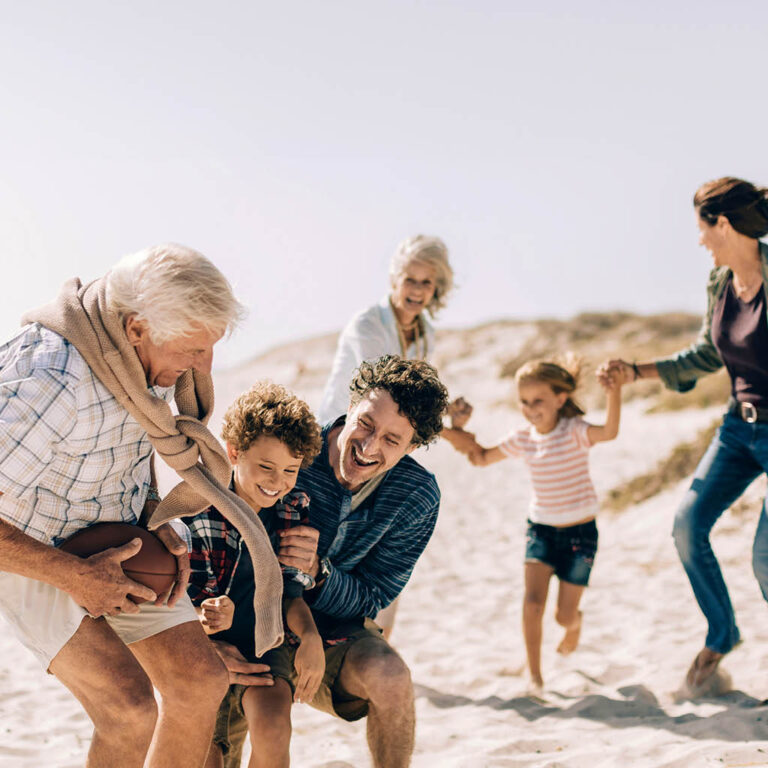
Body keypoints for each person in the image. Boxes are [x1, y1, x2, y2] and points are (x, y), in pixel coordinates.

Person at [0, 243, 284, 768]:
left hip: (113, 537)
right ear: (136, 328)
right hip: (27, 550)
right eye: (192, 350)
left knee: (202, 682)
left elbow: (123, 456)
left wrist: (158, 522)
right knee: (129, 710)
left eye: (209, 349)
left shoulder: (134, 363)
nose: (201, 366)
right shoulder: (50, 378)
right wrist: (74, 575)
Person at [216, 354, 449, 768]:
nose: (369, 446)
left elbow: (373, 597)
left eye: (392, 441)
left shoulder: (417, 496)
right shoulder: (289, 457)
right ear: (352, 403)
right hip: (249, 624)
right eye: (366, 423)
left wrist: (318, 574)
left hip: (334, 633)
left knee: (392, 678)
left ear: (412, 447)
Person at [602, 177, 768, 693]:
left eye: (701, 228)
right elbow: (705, 355)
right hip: (737, 430)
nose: (698, 241)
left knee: (765, 557)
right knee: (687, 524)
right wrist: (637, 371)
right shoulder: (720, 285)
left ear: (722, 224)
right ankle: (722, 633)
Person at [318, 234, 471, 637]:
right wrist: (454, 435)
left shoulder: (425, 334)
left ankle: (376, 640)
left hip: (385, 446)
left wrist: (448, 412)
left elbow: (413, 401)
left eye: (426, 282)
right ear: (393, 279)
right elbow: (385, 397)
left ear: (438, 287)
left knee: (387, 545)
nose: (417, 291)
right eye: (410, 279)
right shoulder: (368, 325)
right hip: (344, 444)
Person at [451, 358, 625, 692]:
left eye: (538, 401)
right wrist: (454, 431)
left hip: (580, 536)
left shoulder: (574, 431)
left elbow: (610, 432)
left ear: (560, 399)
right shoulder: (523, 439)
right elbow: (482, 457)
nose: (530, 409)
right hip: (541, 531)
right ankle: (535, 675)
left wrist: (613, 393)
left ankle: (575, 625)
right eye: (524, 402)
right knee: (532, 604)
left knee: (563, 616)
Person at [186, 381, 325, 768]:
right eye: (265, 466)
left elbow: (289, 592)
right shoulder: (202, 509)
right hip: (202, 654)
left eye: (290, 470)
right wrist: (208, 617)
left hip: (266, 644)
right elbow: (182, 603)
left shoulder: (291, 507)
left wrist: (310, 635)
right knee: (208, 756)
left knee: (274, 730)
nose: (277, 481)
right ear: (234, 452)